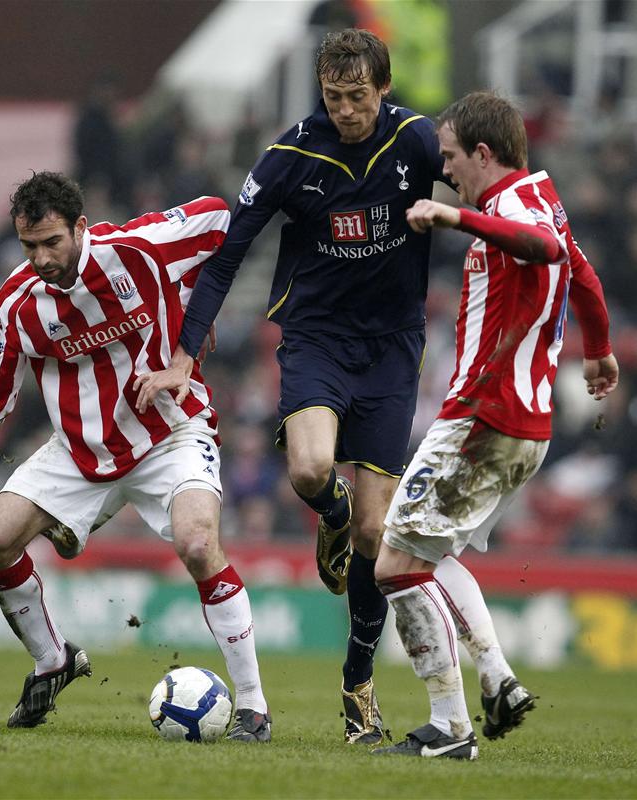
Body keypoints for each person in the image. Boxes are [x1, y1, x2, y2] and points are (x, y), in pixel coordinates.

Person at [146, 29, 527, 746]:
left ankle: (357, 684)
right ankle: (330, 509)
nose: (346, 110)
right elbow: (228, 258)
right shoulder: (292, 155)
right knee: (312, 469)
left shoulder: (416, 142)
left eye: (358, 97)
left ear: (383, 89)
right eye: (333, 96)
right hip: (317, 339)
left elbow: (487, 191)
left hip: (392, 351)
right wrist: (181, 353)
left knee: (378, 538)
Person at [0, 171, 271, 741]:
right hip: (80, 449)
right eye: (29, 246)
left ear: (81, 227)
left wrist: (193, 324)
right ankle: (53, 661)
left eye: (52, 242)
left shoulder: (138, 251)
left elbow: (218, 215)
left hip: (170, 435)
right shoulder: (17, 302)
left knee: (197, 542)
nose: (40, 258)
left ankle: (254, 707)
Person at [370, 91, 618, 760]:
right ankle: (498, 678)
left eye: (451, 158)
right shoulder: (541, 196)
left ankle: (450, 728)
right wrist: (597, 347)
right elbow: (583, 274)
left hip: (486, 416)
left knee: (393, 564)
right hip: (518, 426)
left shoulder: (512, 209)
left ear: (483, 153)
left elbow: (541, 250)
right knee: (428, 552)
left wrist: (457, 218)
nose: (445, 169)